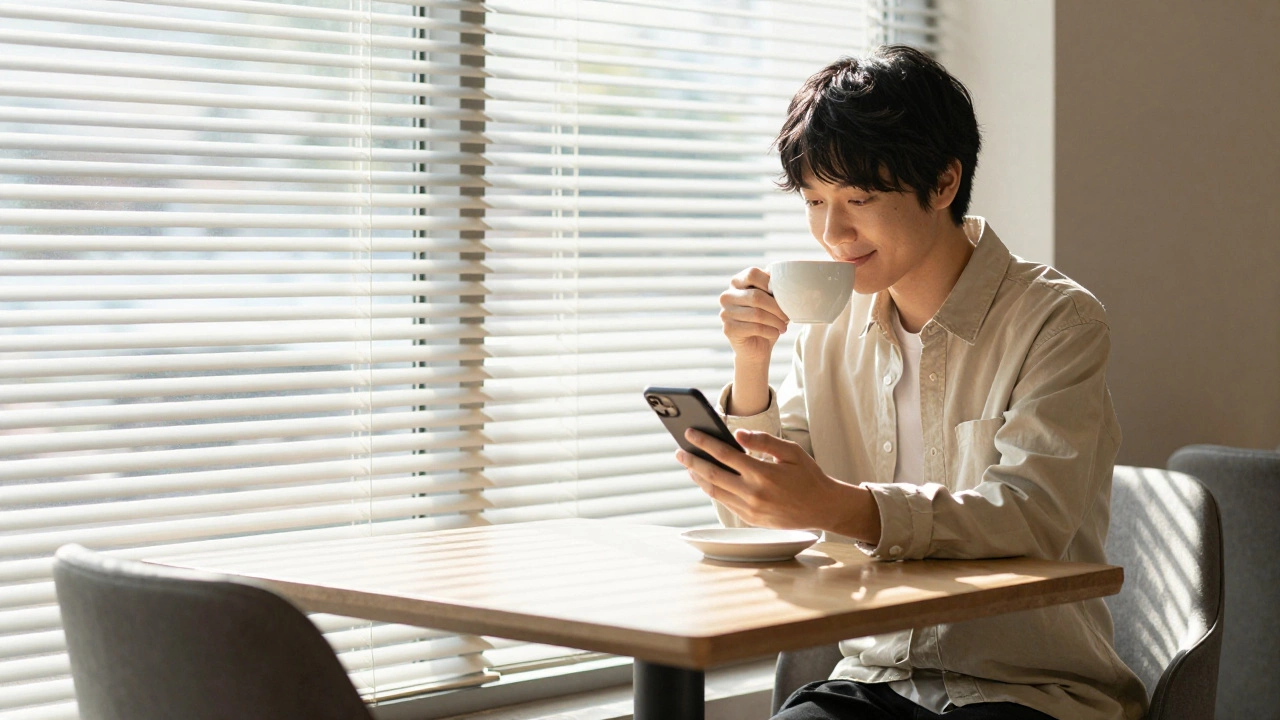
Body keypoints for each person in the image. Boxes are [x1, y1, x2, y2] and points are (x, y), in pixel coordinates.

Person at [673, 46, 1148, 720]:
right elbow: (764, 519)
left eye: (858, 200)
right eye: (815, 202)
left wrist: (844, 507)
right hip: (876, 678)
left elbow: (1029, 515)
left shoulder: (1057, 320)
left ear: (944, 182)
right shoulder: (827, 327)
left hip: (1029, 690)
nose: (832, 233)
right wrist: (751, 361)